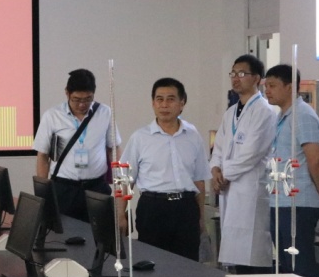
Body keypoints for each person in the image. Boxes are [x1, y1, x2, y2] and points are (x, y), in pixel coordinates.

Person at [118, 78, 211, 261]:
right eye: (159, 99)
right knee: (153, 264)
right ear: (153, 103)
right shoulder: (140, 138)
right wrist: (120, 214)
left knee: (188, 265)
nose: (164, 105)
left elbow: (199, 180)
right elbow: (125, 180)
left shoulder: (192, 135)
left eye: (170, 99)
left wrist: (201, 217)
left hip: (186, 208)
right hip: (153, 208)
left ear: (182, 103)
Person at [263, 65, 319, 277]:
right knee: (287, 266)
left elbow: (315, 159)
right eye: (266, 86)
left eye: (273, 86)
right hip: (281, 202)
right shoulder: (282, 116)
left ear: (290, 87)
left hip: (299, 203)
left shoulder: (303, 115)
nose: (267, 91)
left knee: (300, 266)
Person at [209, 55, 278, 273]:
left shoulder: (265, 111)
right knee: (236, 260)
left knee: (253, 257)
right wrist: (215, 169)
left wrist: (225, 174)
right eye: (233, 73)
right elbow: (219, 147)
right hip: (229, 188)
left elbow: (252, 153)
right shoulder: (231, 112)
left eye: (241, 73)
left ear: (256, 78)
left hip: (250, 188)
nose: (235, 78)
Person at [33, 69, 119, 222]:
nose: (82, 104)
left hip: (96, 188)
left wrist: (119, 182)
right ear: (67, 93)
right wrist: (43, 193)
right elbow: (43, 156)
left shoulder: (105, 113)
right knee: (65, 232)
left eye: (88, 99)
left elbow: (113, 148)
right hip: (64, 188)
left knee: (99, 233)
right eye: (76, 99)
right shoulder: (52, 116)